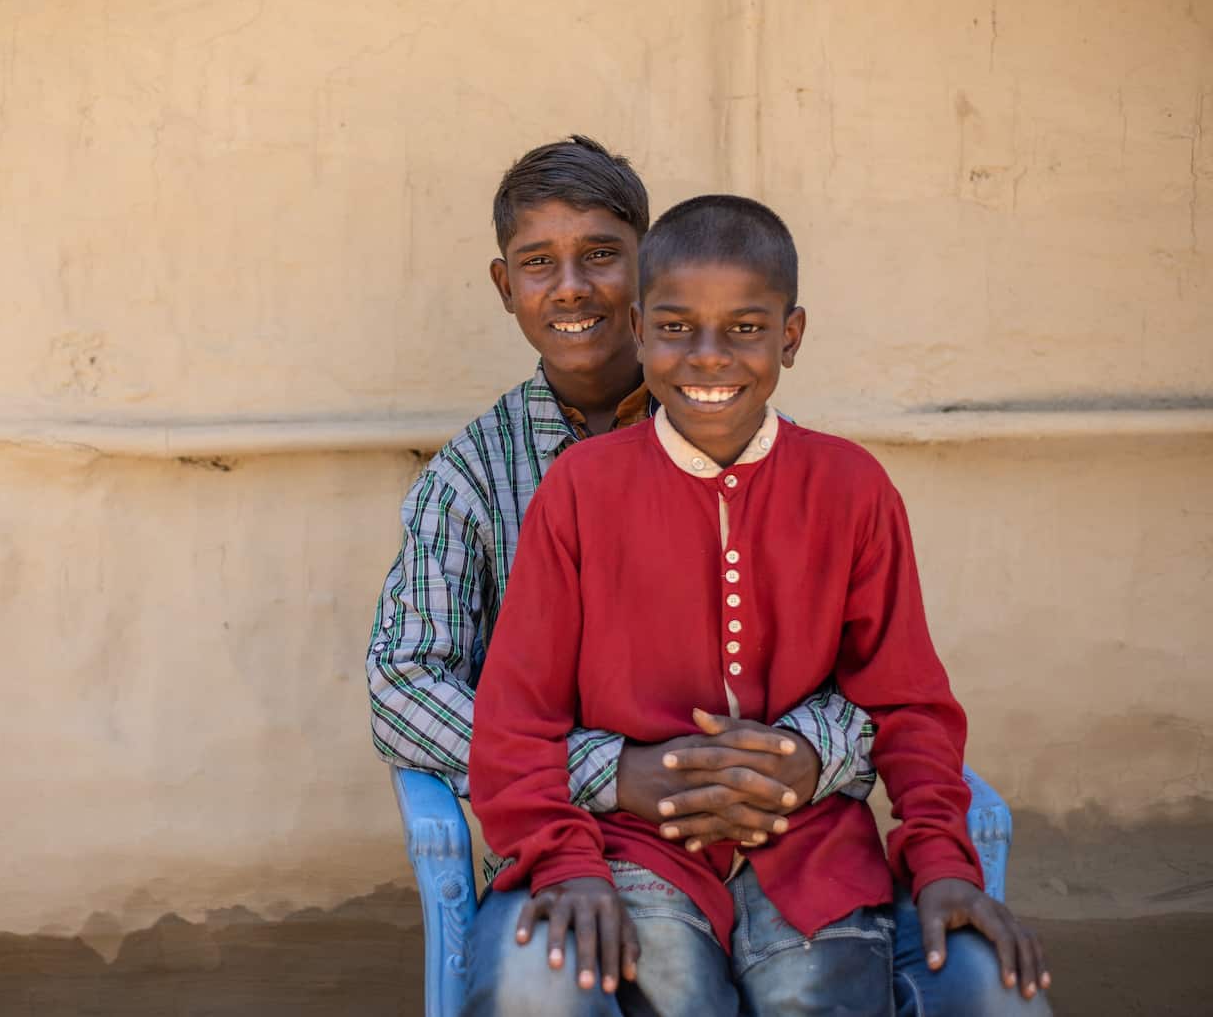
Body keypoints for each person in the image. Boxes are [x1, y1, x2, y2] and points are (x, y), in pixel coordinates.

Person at [365, 136, 971, 1013]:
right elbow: (402, 689)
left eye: (603, 256)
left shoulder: (757, 432)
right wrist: (613, 769)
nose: (572, 287)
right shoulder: (472, 480)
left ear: (649, 277)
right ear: (507, 288)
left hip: (789, 831)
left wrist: (792, 759)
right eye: (541, 264)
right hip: (575, 839)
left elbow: (880, 674)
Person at [467, 192, 1052, 1015]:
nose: (709, 357)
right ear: (638, 329)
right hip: (634, 852)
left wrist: (944, 861)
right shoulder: (579, 491)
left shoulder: (850, 487)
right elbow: (515, 718)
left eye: (745, 328)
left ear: (791, 336)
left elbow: (910, 703)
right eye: (675, 327)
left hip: (813, 854)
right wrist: (563, 862)